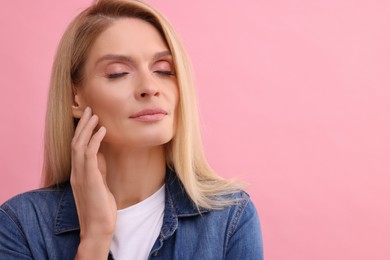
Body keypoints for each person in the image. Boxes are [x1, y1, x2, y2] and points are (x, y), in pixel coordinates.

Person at [0, 0, 263, 259]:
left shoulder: (230, 216)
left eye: (164, 70)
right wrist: (94, 238)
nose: (150, 86)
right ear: (74, 99)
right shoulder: (20, 224)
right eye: (118, 73)